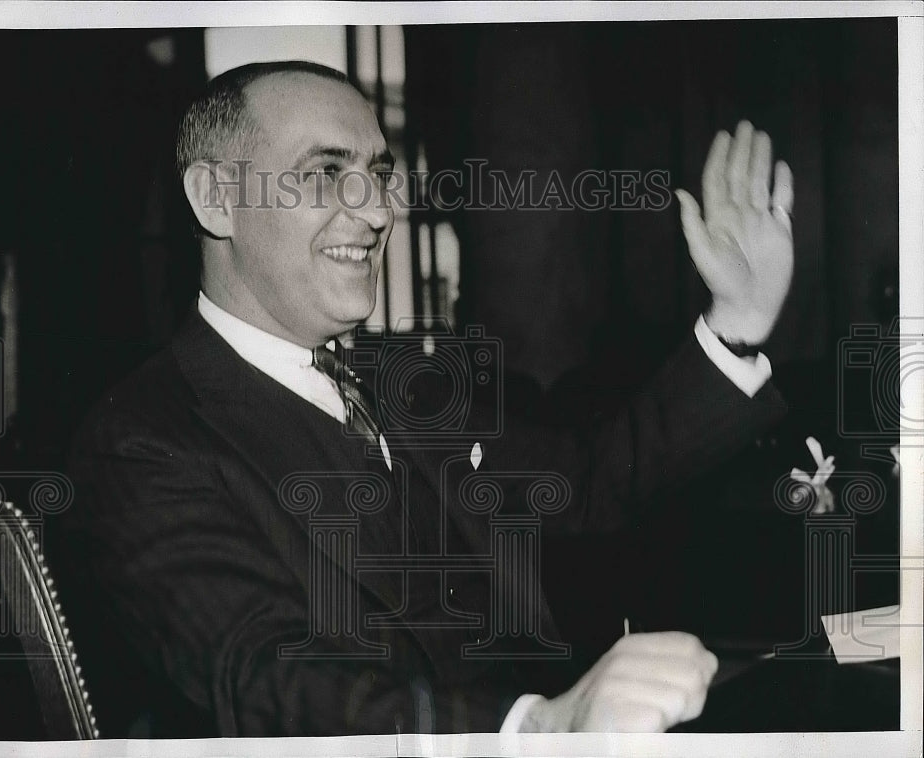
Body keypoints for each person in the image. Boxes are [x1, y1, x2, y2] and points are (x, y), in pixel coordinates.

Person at [53, 60, 793, 737]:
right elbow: (261, 678)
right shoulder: (143, 439)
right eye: (324, 174)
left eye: (378, 174)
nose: (376, 212)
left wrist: (739, 319)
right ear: (216, 201)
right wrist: (538, 728)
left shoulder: (396, 386)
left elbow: (594, 478)